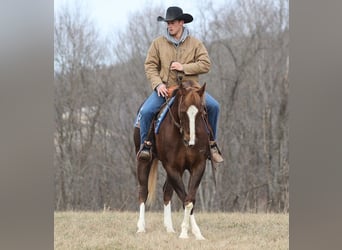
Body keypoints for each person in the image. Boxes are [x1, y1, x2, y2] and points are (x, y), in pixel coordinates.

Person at [136, 6, 223, 163]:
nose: (169, 26)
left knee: (214, 106)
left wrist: (184, 67)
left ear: (181, 22)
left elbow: (206, 64)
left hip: (191, 90)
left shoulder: (195, 43)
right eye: (167, 23)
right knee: (146, 111)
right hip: (166, 89)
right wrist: (158, 85)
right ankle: (146, 146)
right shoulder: (158, 43)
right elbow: (149, 65)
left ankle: (212, 144)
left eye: (173, 23)